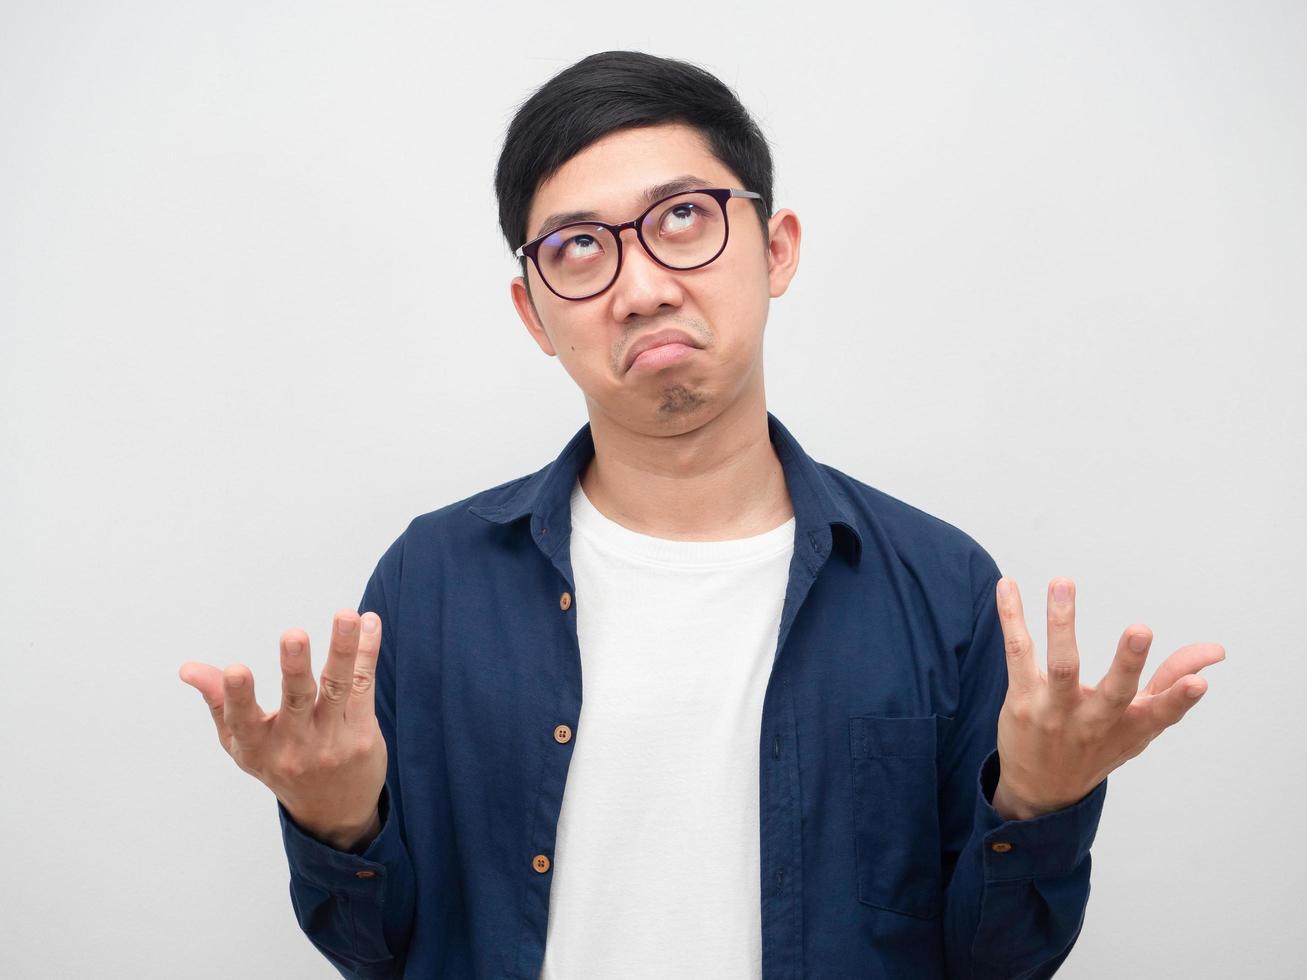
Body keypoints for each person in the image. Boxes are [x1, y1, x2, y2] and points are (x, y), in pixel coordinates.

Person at [178, 50, 1225, 980]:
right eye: (578, 248)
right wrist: (337, 817)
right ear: (532, 312)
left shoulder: (940, 586)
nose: (638, 285)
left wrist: (1037, 804)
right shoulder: (431, 577)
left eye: (682, 218)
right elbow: (374, 949)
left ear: (774, 248)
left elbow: (998, 963)